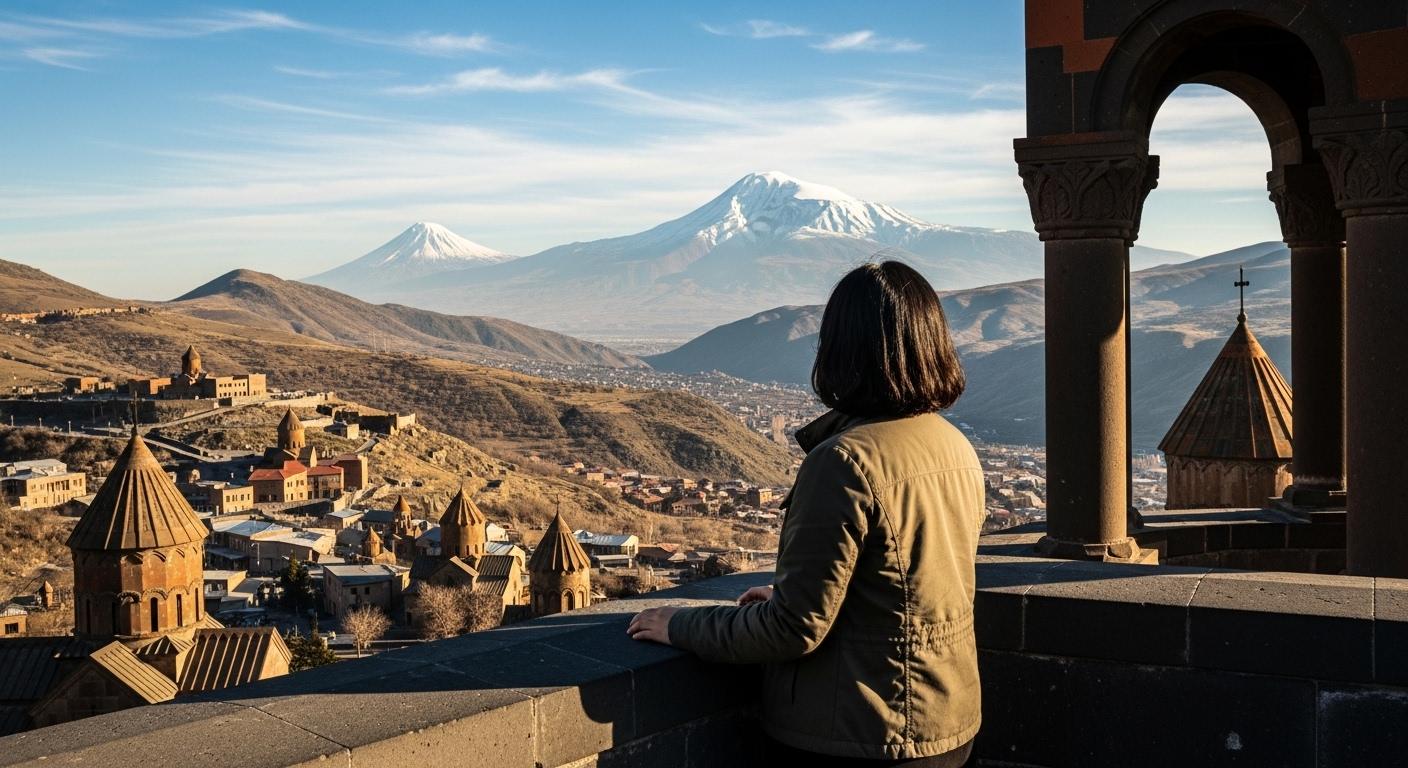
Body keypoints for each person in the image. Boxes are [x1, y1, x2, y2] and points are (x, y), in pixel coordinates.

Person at [627, 260, 985, 766]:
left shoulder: (844, 462)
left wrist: (680, 626)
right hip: (947, 720)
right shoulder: (953, 446)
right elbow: (908, 588)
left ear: (840, 349)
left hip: (862, 732)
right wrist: (795, 594)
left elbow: (792, 630)